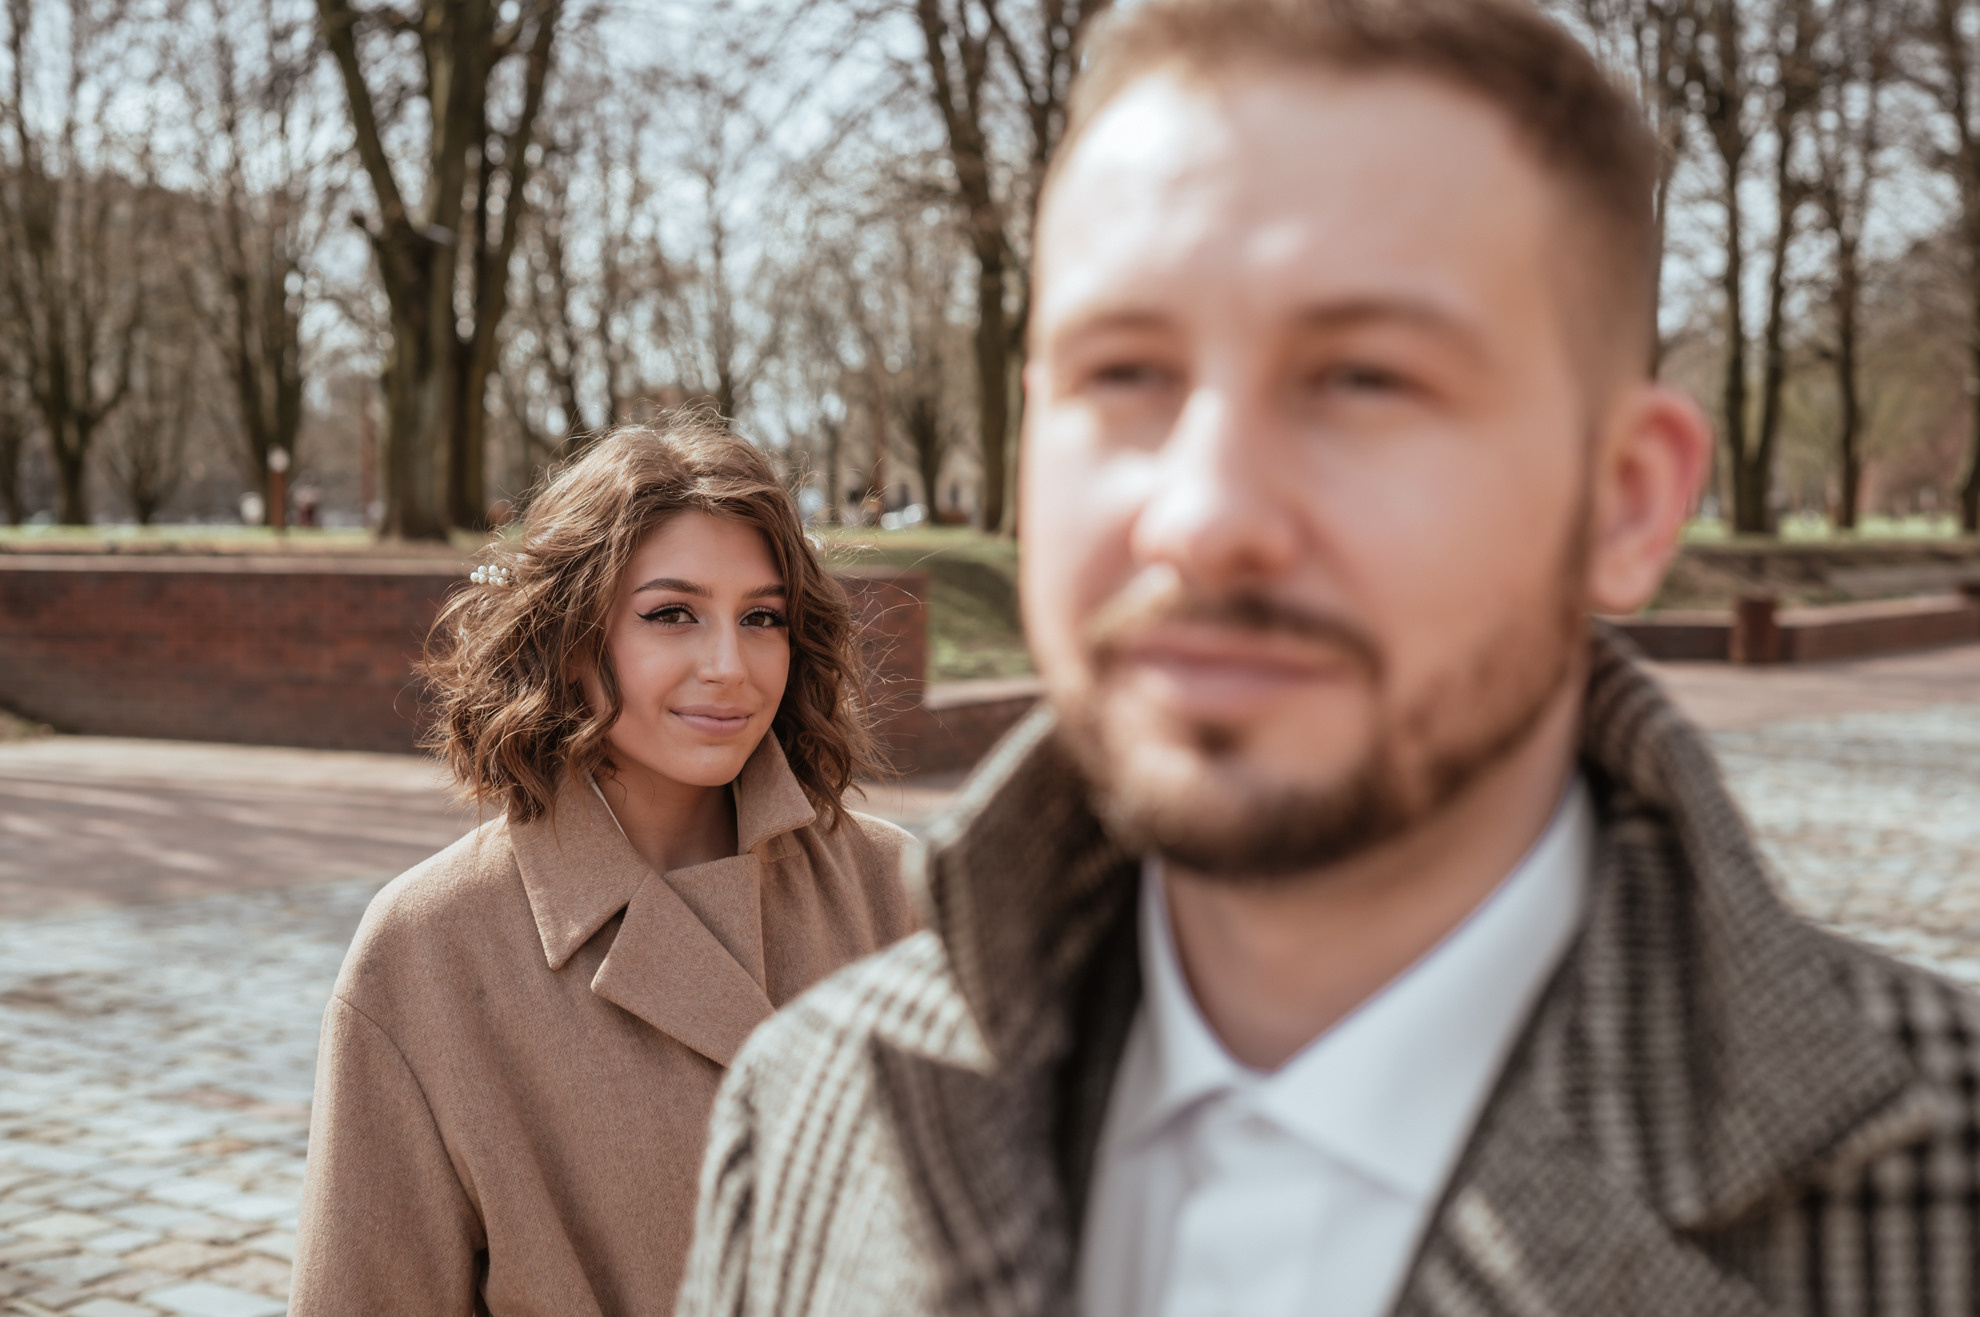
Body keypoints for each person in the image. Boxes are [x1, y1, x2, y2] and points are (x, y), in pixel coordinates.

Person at [672, 1, 1980, 1314]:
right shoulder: (808, 1112)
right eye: (1125, 370)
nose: (1203, 515)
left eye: (1364, 377)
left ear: (1625, 501)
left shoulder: (1939, 1182)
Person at [290, 412, 918, 1315]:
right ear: (570, 635)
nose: (728, 664)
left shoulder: (897, 897)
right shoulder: (425, 951)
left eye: (762, 617)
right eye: (672, 614)